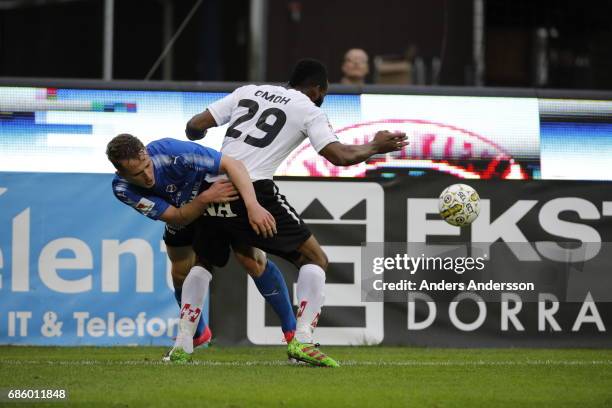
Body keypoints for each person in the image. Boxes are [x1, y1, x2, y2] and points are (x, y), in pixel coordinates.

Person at [184, 58, 408, 367]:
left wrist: (201, 140)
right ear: (317, 90)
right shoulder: (309, 109)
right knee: (315, 258)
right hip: (251, 186)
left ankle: (183, 345)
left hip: (210, 186)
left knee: (204, 261)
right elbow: (340, 156)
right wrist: (374, 146)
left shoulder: (248, 91)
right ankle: (303, 341)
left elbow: (194, 126)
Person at [106, 135, 297, 361]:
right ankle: (197, 334)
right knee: (179, 271)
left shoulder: (172, 151)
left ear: (147, 154)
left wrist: (252, 204)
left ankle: (293, 333)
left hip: (217, 196)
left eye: (147, 166)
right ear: (122, 174)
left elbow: (232, 164)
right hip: (187, 210)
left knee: (251, 259)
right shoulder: (122, 189)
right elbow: (176, 218)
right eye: (137, 174)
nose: (147, 176)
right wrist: (205, 199)